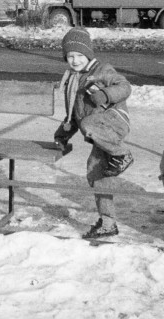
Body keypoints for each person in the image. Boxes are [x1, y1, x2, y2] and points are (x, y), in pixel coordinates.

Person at [54, 26, 134, 239]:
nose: (75, 60)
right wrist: (62, 134)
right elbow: (74, 114)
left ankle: (123, 154)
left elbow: (125, 87)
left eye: (79, 55)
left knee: (88, 124)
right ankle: (108, 222)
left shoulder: (101, 70)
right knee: (97, 171)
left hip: (113, 122)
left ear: (88, 54)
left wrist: (105, 95)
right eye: (70, 56)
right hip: (97, 131)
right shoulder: (73, 79)